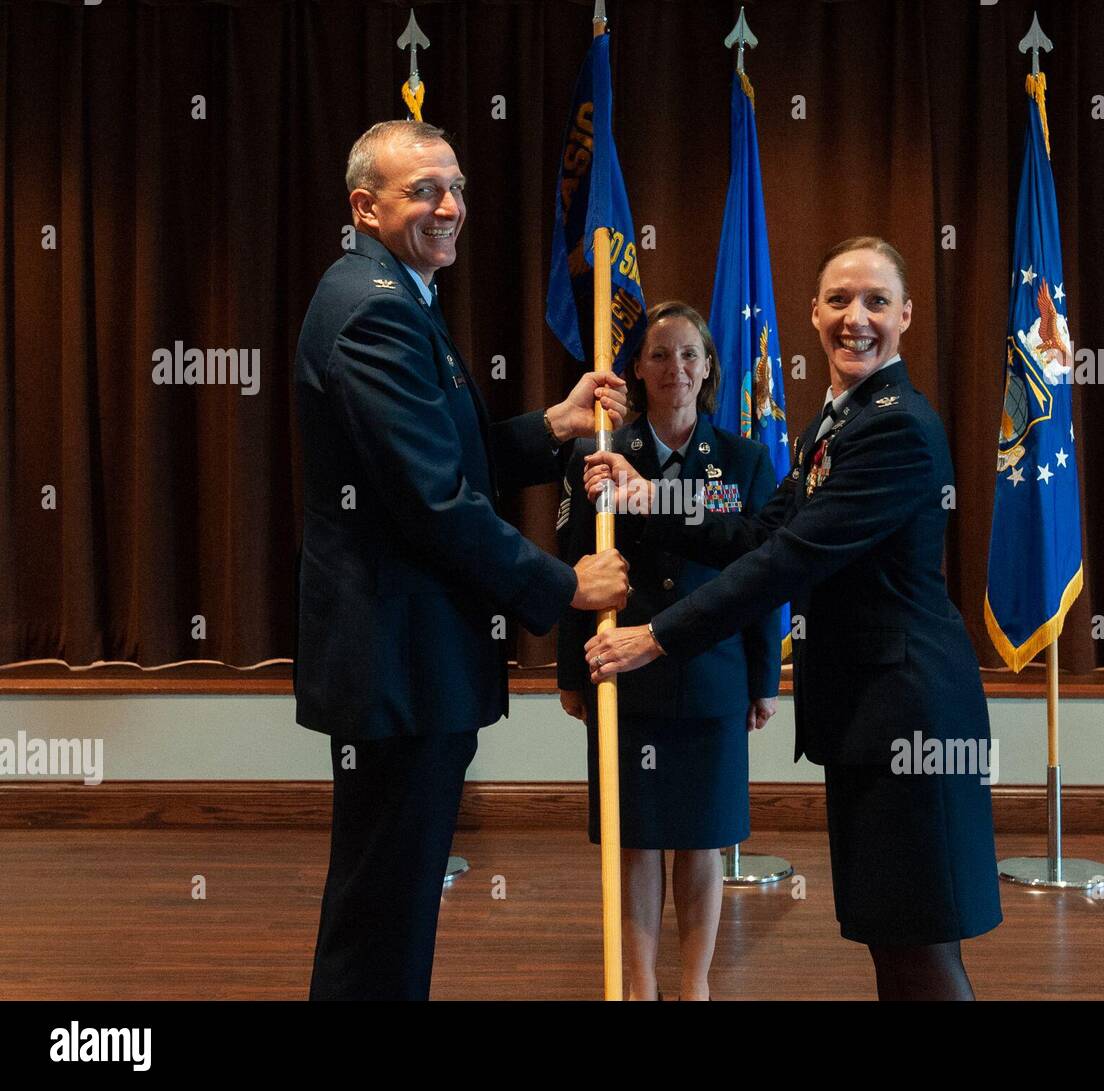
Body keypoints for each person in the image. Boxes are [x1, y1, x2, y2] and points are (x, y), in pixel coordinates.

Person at [582, 237, 1003, 1000]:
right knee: (892, 937)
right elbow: (750, 532)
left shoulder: (895, 426)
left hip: (911, 720)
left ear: (906, 314)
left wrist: (657, 635)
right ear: (812, 312)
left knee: (920, 947)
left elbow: (788, 561)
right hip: (869, 719)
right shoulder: (832, 424)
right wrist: (651, 500)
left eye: (876, 300)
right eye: (839, 300)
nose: (856, 318)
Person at [293, 120, 629, 1000]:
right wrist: (564, 586)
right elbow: (433, 502)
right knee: (384, 915)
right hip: (397, 665)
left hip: (407, 663)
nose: (450, 207)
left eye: (455, 187)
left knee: (391, 905)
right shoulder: (373, 308)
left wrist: (551, 426)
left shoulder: (392, 291)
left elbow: (449, 454)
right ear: (365, 207)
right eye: (423, 191)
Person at [556, 301, 781, 1001]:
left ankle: (694, 986)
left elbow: (764, 574)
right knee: (637, 837)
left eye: (689, 354)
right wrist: (573, 672)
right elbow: (575, 571)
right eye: (658, 354)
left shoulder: (744, 460)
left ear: (709, 366)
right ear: (636, 368)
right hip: (625, 677)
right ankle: (641, 984)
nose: (674, 368)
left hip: (712, 675)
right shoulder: (598, 453)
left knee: (703, 838)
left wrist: (764, 676)